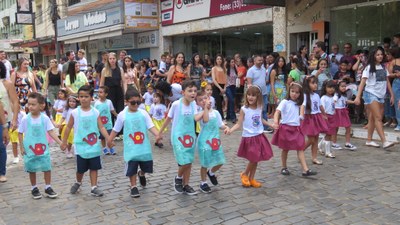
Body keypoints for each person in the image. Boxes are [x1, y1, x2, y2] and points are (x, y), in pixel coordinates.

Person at [107, 90, 159, 198]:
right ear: (126, 102)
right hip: (131, 147)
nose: (135, 105)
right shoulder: (122, 115)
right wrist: (109, 139)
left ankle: (142, 173)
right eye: (133, 102)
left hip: (143, 146)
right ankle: (133, 186)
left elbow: (150, 125)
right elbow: (116, 129)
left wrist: (157, 135)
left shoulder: (143, 113)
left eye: (138, 102)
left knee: (146, 166)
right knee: (132, 166)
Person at [61, 85, 111, 197]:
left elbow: (101, 127)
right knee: (81, 168)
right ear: (78, 97)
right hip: (80, 146)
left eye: (86, 96)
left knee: (94, 167)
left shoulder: (95, 112)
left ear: (91, 98)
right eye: (81, 96)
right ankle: (78, 182)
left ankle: (94, 187)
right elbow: (68, 127)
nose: (83, 99)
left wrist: (108, 138)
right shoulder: (75, 113)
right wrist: (64, 142)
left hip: (93, 145)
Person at [156, 80, 202, 195]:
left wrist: (206, 109)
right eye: (190, 91)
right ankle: (178, 177)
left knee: (189, 161)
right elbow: (168, 119)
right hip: (178, 137)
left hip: (190, 137)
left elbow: (196, 118)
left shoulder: (194, 104)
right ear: (183, 92)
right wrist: (159, 133)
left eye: (195, 91)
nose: (193, 93)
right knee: (184, 161)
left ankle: (186, 185)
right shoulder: (176, 104)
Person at [225, 85, 274, 187]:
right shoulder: (244, 109)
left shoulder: (259, 108)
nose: (250, 97)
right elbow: (239, 123)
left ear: (258, 97)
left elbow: (261, 120)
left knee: (256, 159)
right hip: (249, 137)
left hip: (259, 136)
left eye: (253, 95)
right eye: (249, 95)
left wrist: (270, 124)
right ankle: (245, 173)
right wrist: (231, 130)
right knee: (253, 158)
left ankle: (251, 178)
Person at [18, 93, 62, 199]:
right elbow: (20, 132)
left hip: (43, 149)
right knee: (32, 168)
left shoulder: (45, 118)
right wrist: (21, 147)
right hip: (30, 149)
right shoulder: (25, 119)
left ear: (41, 105)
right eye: (29, 104)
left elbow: (51, 131)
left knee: (47, 167)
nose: (30, 107)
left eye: (33, 104)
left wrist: (60, 143)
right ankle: (34, 188)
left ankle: (48, 187)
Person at [271, 82, 317, 176]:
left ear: (300, 94)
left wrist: (301, 117)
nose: (294, 94)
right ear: (289, 91)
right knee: (285, 149)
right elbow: (277, 112)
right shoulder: (285, 102)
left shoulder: (298, 104)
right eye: (292, 91)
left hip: (296, 129)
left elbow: (302, 112)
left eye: (297, 92)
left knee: (300, 148)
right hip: (285, 128)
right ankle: (284, 167)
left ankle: (305, 169)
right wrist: (276, 122)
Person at [354, 48, 395, 149]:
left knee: (372, 118)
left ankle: (369, 140)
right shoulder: (368, 68)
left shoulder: (383, 67)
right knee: (378, 118)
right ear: (373, 56)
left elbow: (387, 81)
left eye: (381, 54)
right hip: (370, 94)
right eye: (377, 55)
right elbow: (362, 82)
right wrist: (358, 97)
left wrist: (392, 95)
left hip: (381, 95)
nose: (380, 56)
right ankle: (384, 141)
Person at [196, 90, 228, 193]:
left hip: (215, 140)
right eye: (200, 100)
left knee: (220, 161)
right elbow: (205, 120)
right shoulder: (200, 113)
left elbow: (220, 124)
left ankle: (211, 172)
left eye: (205, 98)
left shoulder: (216, 112)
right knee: (205, 163)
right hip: (205, 141)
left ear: (209, 99)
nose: (203, 101)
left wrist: (226, 127)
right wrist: (205, 108)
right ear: (197, 103)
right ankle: (203, 182)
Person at [301, 76, 328, 165]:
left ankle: (314, 157)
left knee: (316, 139)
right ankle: (300, 151)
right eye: (313, 83)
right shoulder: (305, 95)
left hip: (317, 117)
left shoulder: (316, 95)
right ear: (307, 84)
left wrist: (324, 114)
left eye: (316, 83)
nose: (315, 85)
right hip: (309, 118)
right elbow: (303, 106)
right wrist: (301, 116)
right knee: (311, 139)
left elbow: (320, 106)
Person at [246, 55, 273, 133]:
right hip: (256, 94)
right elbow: (249, 84)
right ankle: (256, 125)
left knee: (264, 110)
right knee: (256, 110)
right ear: (254, 61)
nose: (261, 61)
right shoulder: (251, 70)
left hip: (264, 93)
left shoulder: (264, 69)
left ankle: (265, 127)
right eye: (259, 60)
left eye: (261, 60)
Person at [331, 80, 357, 150]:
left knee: (348, 127)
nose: (343, 88)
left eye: (345, 86)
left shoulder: (344, 94)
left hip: (343, 111)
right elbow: (333, 101)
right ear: (338, 87)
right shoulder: (336, 94)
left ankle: (347, 143)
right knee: (335, 128)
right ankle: (334, 143)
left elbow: (346, 101)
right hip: (337, 111)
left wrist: (354, 102)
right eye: (342, 86)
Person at [94, 86, 118, 155]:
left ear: (106, 94)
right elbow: (95, 113)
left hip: (108, 123)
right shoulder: (97, 103)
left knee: (110, 136)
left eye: (101, 92)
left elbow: (112, 110)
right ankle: (104, 148)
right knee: (102, 137)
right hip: (100, 124)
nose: (99, 94)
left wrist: (117, 115)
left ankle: (111, 147)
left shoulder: (109, 102)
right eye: (98, 92)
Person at [100, 52, 125, 117]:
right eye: (110, 59)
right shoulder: (104, 70)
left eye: (113, 58)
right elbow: (102, 83)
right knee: (110, 112)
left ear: (116, 59)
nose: (112, 60)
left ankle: (121, 126)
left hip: (118, 92)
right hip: (109, 93)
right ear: (108, 60)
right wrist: (101, 93)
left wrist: (125, 92)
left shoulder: (120, 69)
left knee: (120, 111)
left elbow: (124, 82)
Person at [318, 80, 338, 158]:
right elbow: (322, 108)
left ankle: (319, 146)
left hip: (332, 116)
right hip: (326, 117)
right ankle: (328, 152)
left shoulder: (333, 98)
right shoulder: (323, 98)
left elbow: (332, 106)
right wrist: (323, 116)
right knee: (328, 134)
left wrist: (334, 111)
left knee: (329, 134)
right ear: (325, 88)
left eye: (333, 87)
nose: (331, 89)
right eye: (329, 87)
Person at [211, 54, 227, 120]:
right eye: (218, 59)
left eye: (220, 59)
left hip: (223, 87)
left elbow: (226, 79)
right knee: (218, 103)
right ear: (215, 60)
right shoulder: (214, 68)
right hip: (216, 87)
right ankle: (221, 119)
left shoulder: (224, 69)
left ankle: (220, 118)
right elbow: (214, 79)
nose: (219, 60)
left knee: (222, 102)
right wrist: (220, 88)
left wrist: (224, 88)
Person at [388, 47, 400, 131]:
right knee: (397, 103)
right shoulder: (393, 61)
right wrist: (396, 75)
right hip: (397, 83)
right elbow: (389, 74)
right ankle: (399, 124)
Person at [225, 57, 238, 123]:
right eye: (231, 62)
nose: (233, 63)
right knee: (232, 101)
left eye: (233, 62)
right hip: (228, 86)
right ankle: (233, 117)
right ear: (229, 63)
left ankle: (228, 116)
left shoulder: (235, 67)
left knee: (231, 101)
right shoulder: (226, 69)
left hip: (233, 86)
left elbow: (237, 76)